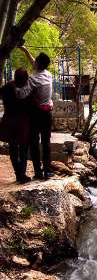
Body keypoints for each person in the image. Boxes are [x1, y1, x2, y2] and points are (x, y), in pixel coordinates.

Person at [15, 47, 54, 180]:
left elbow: (21, 94)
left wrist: (15, 86)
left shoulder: (33, 79)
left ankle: (38, 171)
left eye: (35, 61)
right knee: (46, 142)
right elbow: (34, 63)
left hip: (36, 114)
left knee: (34, 143)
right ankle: (47, 170)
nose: (34, 62)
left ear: (37, 64)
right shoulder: (48, 74)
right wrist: (25, 50)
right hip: (48, 113)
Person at [0, 69, 32, 184]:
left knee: (13, 148)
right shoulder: (26, 89)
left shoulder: (7, 87)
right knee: (23, 149)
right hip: (22, 122)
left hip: (8, 121)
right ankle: (21, 174)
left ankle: (18, 173)